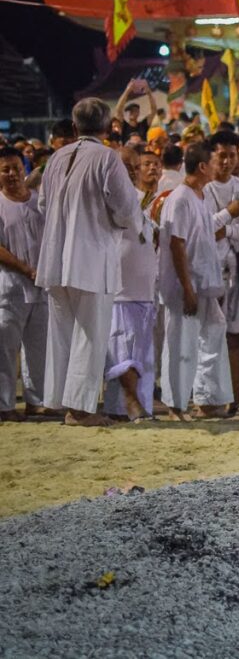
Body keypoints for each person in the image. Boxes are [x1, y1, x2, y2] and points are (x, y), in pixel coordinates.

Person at [35, 98, 139, 427]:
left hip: (55, 258)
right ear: (107, 127)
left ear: (75, 125)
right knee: (89, 335)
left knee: (62, 333)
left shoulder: (56, 158)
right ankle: (79, 410)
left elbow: (41, 206)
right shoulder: (107, 158)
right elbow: (125, 209)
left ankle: (62, 403)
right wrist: (112, 224)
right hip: (91, 258)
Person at [158, 143, 239, 421]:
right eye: (215, 161)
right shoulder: (180, 198)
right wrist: (188, 289)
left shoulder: (199, 196)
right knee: (181, 342)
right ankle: (176, 405)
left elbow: (203, 234)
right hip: (186, 285)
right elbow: (177, 246)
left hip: (204, 282)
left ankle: (208, 399)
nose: (220, 166)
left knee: (214, 332)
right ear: (203, 167)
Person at [204, 131, 239, 415]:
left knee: (235, 336)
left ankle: (235, 398)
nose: (227, 161)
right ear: (210, 156)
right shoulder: (201, 189)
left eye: (232, 155)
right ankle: (208, 397)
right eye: (221, 155)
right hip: (208, 269)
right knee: (208, 335)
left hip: (237, 267)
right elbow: (202, 231)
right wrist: (228, 218)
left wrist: (227, 229)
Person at [103, 149, 160, 421]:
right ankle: (130, 403)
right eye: (125, 166)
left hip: (144, 291)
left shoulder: (143, 202)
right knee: (123, 350)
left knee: (142, 355)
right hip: (121, 290)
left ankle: (127, 409)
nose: (131, 171)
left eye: (133, 166)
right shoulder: (108, 199)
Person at [0, 147, 47, 421]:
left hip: (40, 289)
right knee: (5, 350)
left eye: (16, 168)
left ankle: (36, 401)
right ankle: (5, 404)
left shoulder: (38, 202)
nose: (12, 174)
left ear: (24, 169)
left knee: (37, 349)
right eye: (5, 169)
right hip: (10, 289)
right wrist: (26, 269)